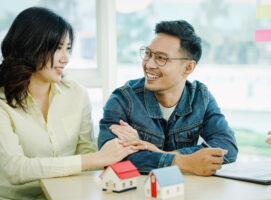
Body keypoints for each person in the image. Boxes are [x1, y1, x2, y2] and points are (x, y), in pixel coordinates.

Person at [0, 7, 136, 199]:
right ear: (30, 46)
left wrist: (120, 144)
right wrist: (95, 158)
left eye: (68, 48)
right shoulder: (2, 103)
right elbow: (16, 169)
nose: (66, 58)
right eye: (57, 48)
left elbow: (87, 154)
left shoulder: (76, 93)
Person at [98, 20, 238, 176]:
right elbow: (109, 157)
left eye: (161, 58)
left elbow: (227, 147)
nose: (149, 64)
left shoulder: (200, 97)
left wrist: (159, 153)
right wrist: (184, 162)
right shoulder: (123, 100)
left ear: (188, 67)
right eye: (148, 54)